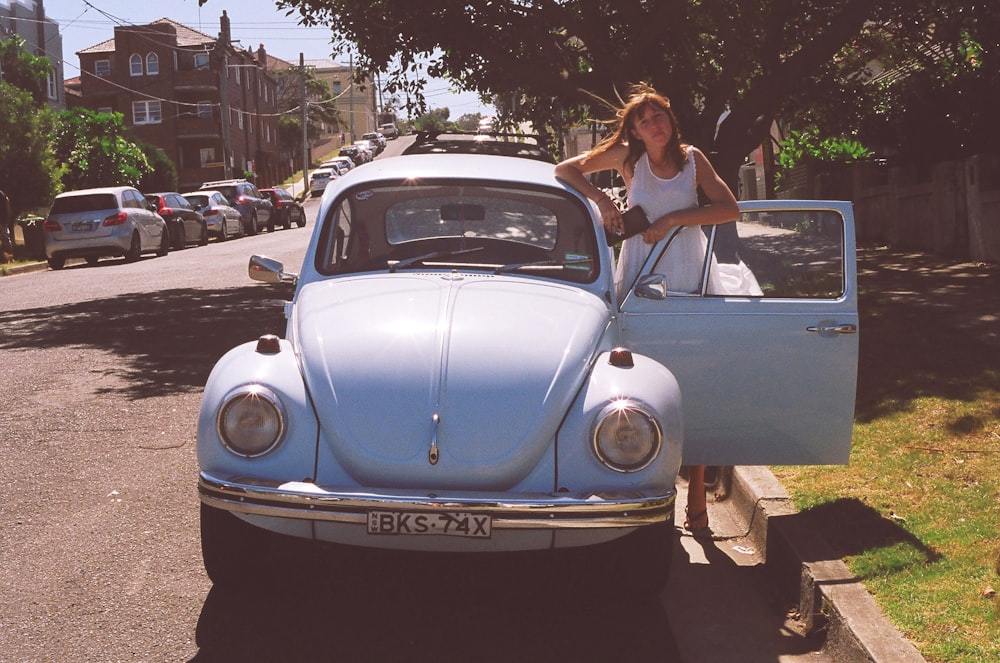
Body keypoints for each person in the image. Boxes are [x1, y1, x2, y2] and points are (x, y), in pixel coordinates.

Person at [555, 83, 750, 534]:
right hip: (642, 271)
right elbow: (565, 169)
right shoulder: (628, 158)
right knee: (641, 370)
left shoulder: (692, 159)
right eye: (642, 121)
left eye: (657, 116)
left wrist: (673, 219)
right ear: (636, 132)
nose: (652, 125)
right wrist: (604, 200)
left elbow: (729, 209)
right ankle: (642, 481)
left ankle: (697, 495)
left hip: (690, 269)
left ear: (670, 119)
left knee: (697, 375)